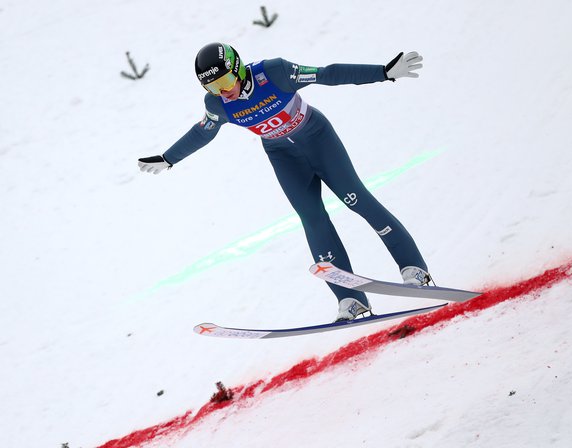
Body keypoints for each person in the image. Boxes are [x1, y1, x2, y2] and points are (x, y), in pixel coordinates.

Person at [138, 43, 432, 321]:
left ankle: (414, 268)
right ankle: (350, 299)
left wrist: (383, 72)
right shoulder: (217, 104)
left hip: (317, 138)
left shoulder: (274, 73)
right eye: (213, 87)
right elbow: (203, 131)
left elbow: (326, 74)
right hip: (282, 155)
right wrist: (169, 158)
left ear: (238, 69)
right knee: (312, 219)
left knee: (356, 198)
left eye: (225, 81)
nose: (223, 91)